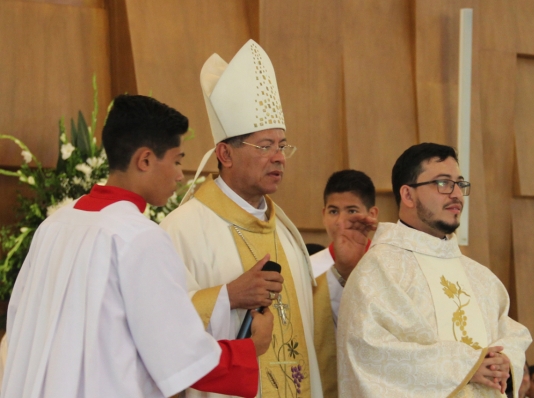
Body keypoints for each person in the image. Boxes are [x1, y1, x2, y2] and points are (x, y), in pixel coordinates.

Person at [0, 95, 273, 398]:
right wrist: (250, 350)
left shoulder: (53, 227)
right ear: (144, 160)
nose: (179, 175)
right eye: (177, 160)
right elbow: (178, 353)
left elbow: (19, 326)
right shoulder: (140, 237)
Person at [161, 40, 374, 398]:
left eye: (283, 145)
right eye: (265, 146)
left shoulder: (287, 234)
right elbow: (160, 325)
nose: (279, 158)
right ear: (225, 153)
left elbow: (309, 326)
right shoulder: (183, 229)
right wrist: (228, 296)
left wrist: (339, 273)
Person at [337, 142, 532, 397]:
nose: (456, 194)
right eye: (442, 183)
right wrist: (466, 366)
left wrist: (505, 360)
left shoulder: (481, 277)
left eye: (459, 184)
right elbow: (368, 352)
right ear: (408, 195)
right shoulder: (379, 269)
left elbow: (512, 334)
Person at [310, 169, 379, 397]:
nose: (341, 222)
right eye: (333, 211)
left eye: (352, 211)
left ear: (372, 214)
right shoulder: (307, 268)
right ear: (323, 214)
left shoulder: (388, 265)